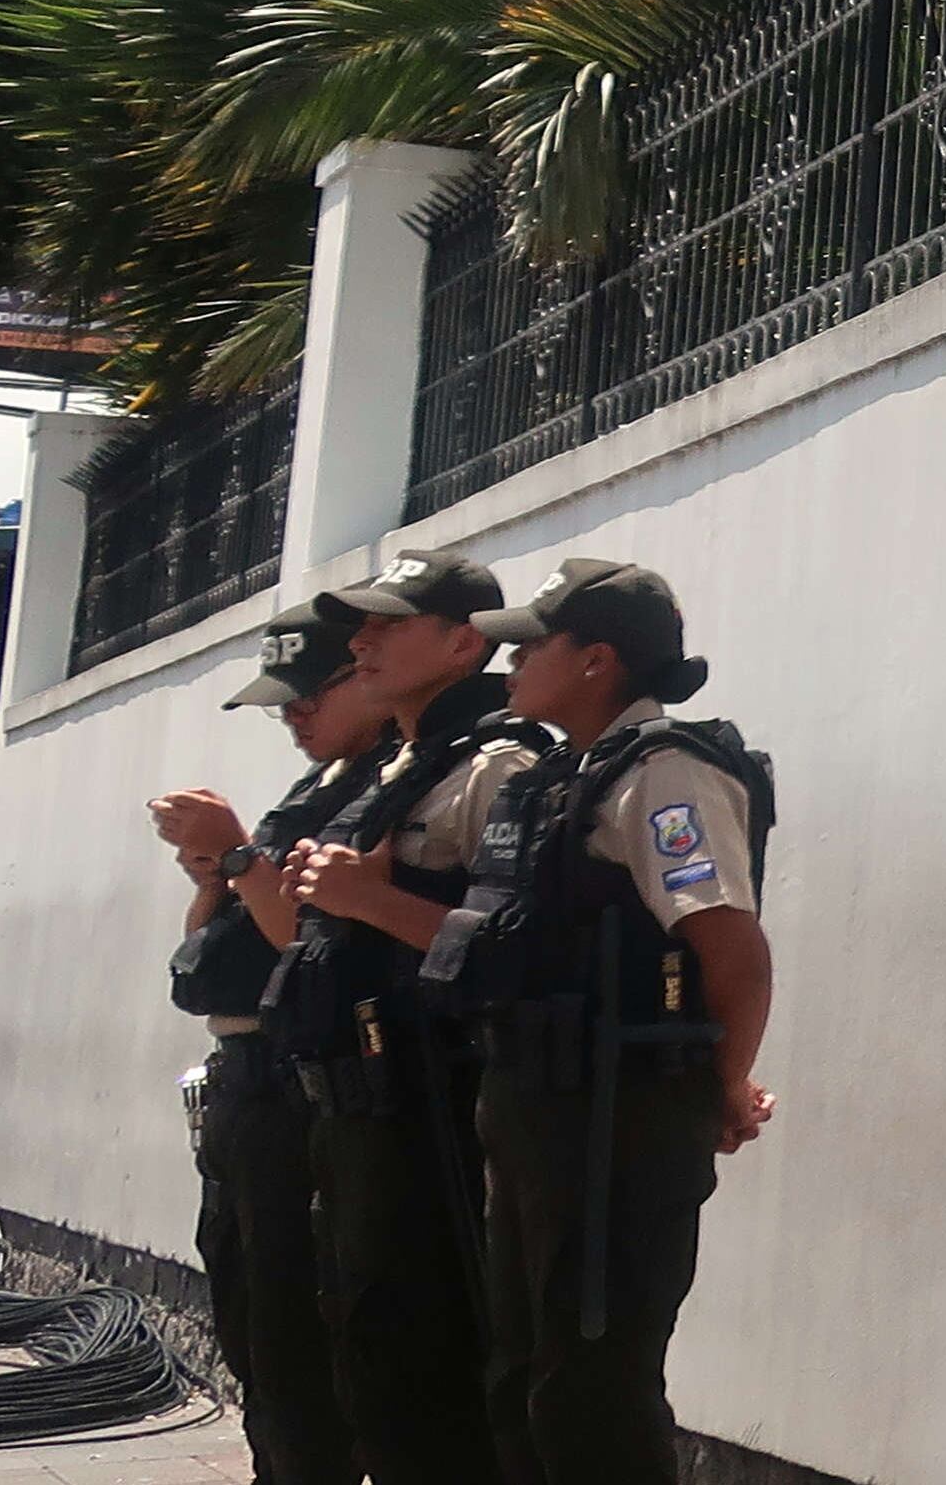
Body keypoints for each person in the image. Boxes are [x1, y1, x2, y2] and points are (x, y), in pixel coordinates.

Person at [419, 558, 775, 1485]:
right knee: (522, 1381)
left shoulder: (667, 775)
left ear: (596, 660)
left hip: (617, 1121)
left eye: (533, 644)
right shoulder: (564, 777)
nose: (509, 665)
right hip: (540, 1110)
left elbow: (731, 949)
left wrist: (720, 1087)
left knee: (591, 1392)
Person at [274, 553, 547, 1485]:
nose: (361, 642)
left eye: (390, 624)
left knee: (435, 1370)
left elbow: (515, 955)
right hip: (360, 1110)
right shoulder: (396, 766)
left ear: (466, 643)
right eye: (363, 626)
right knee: (372, 1363)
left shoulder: (499, 765)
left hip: (437, 1113)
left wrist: (367, 899)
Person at [150, 600, 394, 1485]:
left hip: (301, 1084)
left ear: (363, 677)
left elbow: (317, 947)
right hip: (243, 1080)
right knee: (250, 1319)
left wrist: (242, 859)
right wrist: (215, 872)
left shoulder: (383, 790)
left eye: (304, 700)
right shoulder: (315, 790)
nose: (292, 720)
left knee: (297, 1326)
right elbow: (203, 963)